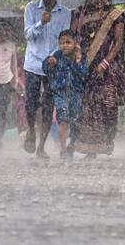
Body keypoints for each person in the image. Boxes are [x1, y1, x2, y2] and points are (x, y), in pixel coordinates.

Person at [70, 0, 125, 158]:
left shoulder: (116, 15)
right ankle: (91, 148)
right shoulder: (81, 14)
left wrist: (104, 63)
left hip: (109, 66)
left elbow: (119, 42)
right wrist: (77, 54)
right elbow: (75, 37)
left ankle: (108, 138)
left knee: (107, 103)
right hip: (86, 66)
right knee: (89, 106)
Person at [23, 0, 71, 158]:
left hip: (52, 65)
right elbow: (28, 35)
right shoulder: (31, 8)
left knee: (48, 105)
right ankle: (31, 131)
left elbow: (65, 39)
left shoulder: (65, 12)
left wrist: (56, 57)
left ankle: (41, 146)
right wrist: (40, 23)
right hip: (33, 64)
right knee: (31, 103)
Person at [42, 29, 87, 159]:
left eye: (68, 42)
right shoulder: (57, 55)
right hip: (60, 93)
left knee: (76, 121)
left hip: (76, 94)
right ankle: (63, 149)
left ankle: (72, 144)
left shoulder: (80, 57)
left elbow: (84, 74)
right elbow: (45, 68)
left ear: (75, 43)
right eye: (62, 43)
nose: (65, 45)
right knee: (63, 120)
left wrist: (77, 61)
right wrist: (49, 63)